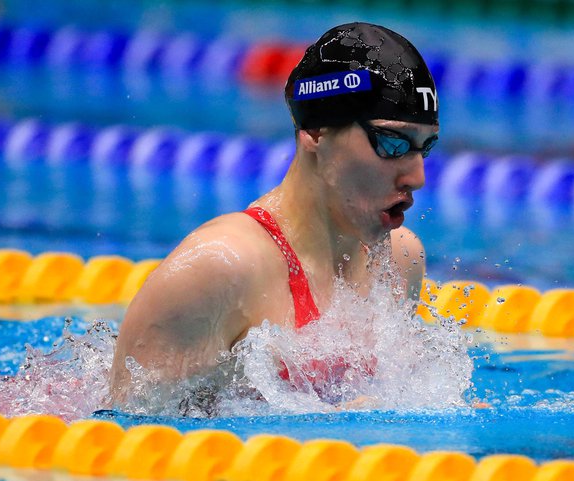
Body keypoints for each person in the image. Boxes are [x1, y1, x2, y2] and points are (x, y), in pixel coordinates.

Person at [110, 22, 440, 409]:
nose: (417, 176)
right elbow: (125, 439)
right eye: (391, 143)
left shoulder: (400, 260)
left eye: (424, 148)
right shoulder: (221, 268)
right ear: (316, 130)